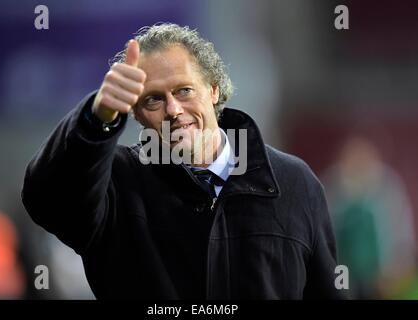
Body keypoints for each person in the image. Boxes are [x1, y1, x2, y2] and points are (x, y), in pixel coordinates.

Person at [22, 23, 345, 299]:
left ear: (214, 90)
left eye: (184, 90)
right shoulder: (114, 183)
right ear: (134, 112)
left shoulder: (293, 181)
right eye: (153, 99)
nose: (174, 110)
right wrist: (95, 120)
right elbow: (48, 200)